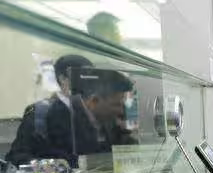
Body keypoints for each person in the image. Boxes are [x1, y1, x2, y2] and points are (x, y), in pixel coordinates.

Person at [6, 66, 136, 167]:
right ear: (94, 101)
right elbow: (17, 158)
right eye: (116, 105)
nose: (121, 111)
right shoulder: (44, 115)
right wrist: (54, 165)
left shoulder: (107, 120)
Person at [5, 54, 92, 165]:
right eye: (83, 77)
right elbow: (17, 156)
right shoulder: (39, 112)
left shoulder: (95, 110)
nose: (90, 84)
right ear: (63, 79)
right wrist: (49, 163)